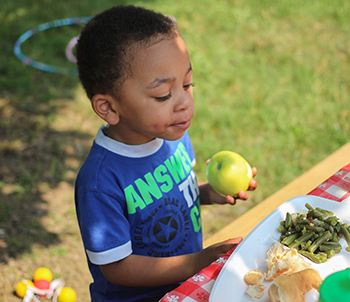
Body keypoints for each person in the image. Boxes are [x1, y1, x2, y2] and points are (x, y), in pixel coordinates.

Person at [74, 5, 258, 302]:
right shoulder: (100, 182)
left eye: (188, 84)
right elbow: (117, 267)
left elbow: (171, 197)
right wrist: (196, 262)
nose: (184, 101)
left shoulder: (171, 135)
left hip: (185, 288)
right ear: (108, 107)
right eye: (163, 95)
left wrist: (210, 193)